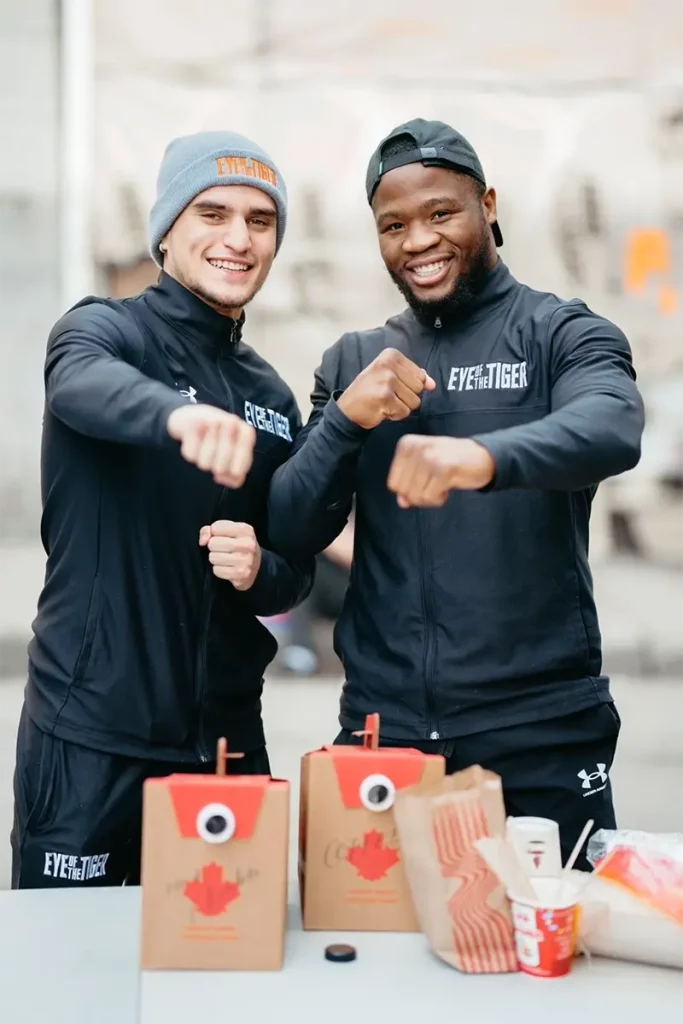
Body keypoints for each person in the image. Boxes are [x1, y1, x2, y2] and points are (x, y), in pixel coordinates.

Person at [267, 118, 645, 869]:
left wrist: (481, 456)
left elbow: (612, 425)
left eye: (440, 213)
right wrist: (344, 420)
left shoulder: (559, 333)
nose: (418, 241)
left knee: (552, 938)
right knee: (375, 944)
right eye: (393, 225)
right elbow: (289, 524)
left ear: (487, 206)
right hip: (386, 736)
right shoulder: (355, 361)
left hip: (540, 732)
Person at [11, 131, 314, 888]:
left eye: (260, 220)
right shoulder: (104, 332)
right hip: (93, 734)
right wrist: (176, 417)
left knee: (226, 954)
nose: (238, 238)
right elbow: (79, 384)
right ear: (167, 232)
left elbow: (293, 574)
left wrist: (260, 568)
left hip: (225, 743)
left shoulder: (271, 396)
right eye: (212, 213)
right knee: (70, 957)